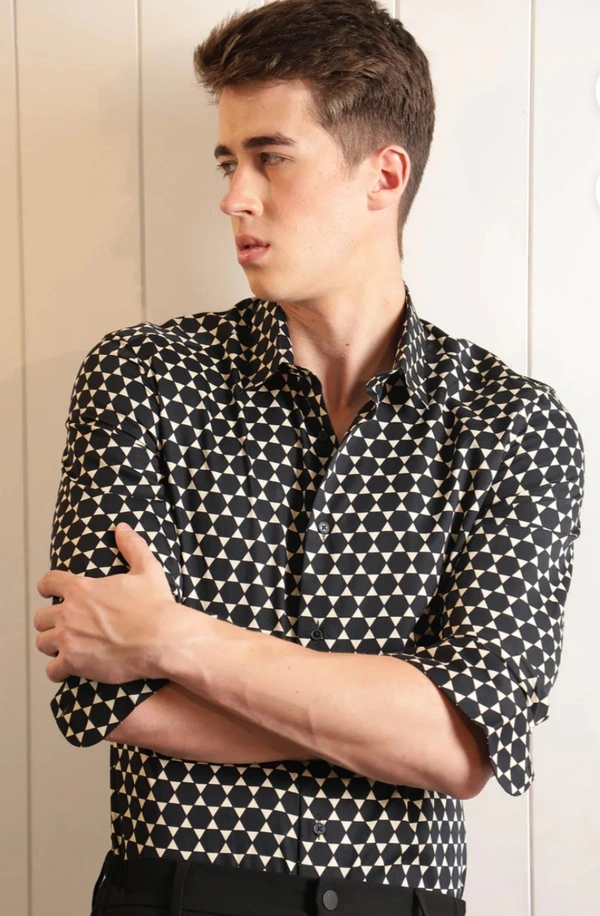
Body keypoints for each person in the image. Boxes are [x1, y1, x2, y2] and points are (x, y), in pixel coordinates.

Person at [33, 1, 585, 914]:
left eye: (271, 157)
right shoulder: (143, 379)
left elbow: (463, 746)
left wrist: (172, 640)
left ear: (384, 174)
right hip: (176, 894)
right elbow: (104, 697)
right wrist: (389, 724)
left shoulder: (512, 426)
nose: (233, 197)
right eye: (228, 162)